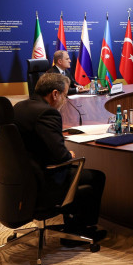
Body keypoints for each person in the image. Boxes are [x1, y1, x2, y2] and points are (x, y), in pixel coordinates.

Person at [12, 73, 106, 243]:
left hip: (22, 178)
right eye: (64, 95)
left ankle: (73, 226)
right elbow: (60, 157)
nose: (65, 99)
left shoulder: (20, 106)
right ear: (55, 94)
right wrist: (69, 155)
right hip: (43, 180)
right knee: (96, 177)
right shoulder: (48, 113)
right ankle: (78, 231)